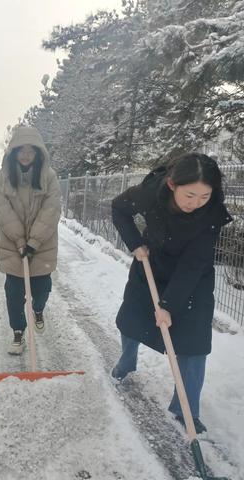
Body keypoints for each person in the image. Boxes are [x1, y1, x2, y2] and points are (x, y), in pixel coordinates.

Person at [111, 152, 232, 434]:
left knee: (193, 344)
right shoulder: (150, 193)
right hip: (150, 264)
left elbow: (193, 265)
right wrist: (135, 243)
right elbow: (119, 208)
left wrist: (168, 305)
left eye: (204, 197)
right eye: (190, 195)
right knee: (132, 320)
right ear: (172, 185)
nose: (196, 203)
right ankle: (126, 362)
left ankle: (185, 409)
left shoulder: (211, 214)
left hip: (193, 280)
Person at [0, 126, 61, 355]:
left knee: (41, 288)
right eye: (20, 150)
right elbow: (3, 210)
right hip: (12, 244)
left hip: (42, 245)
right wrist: (20, 240)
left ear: (38, 153)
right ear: (13, 151)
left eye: (30, 150)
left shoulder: (49, 177)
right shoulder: (3, 177)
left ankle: (38, 309)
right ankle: (18, 333)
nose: (25, 155)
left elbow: (51, 210)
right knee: (14, 294)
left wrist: (34, 242)